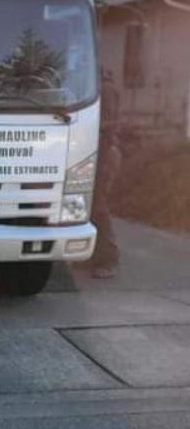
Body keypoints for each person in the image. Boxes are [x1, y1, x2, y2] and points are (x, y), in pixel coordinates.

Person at [90, 69, 122, 277]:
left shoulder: (106, 89)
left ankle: (108, 259)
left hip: (104, 152)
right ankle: (95, 256)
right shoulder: (100, 86)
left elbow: (108, 123)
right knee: (91, 205)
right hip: (98, 151)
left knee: (99, 205)